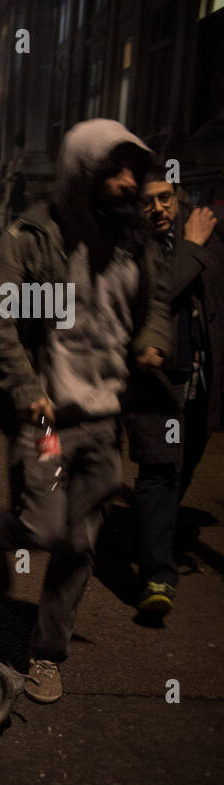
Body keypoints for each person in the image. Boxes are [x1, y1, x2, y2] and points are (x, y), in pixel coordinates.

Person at [0, 119, 173, 704]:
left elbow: (156, 301)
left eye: (134, 170)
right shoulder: (32, 236)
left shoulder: (135, 241)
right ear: (83, 173)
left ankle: (46, 654)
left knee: (79, 545)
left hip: (106, 420)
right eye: (115, 170)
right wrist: (25, 387)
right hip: (47, 419)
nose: (129, 181)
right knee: (42, 528)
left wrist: (149, 341)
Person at [125, 173, 223, 616]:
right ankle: (157, 577)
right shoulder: (134, 248)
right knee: (161, 471)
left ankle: (149, 535)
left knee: (185, 466)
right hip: (158, 383)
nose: (159, 209)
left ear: (179, 198)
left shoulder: (201, 240)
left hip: (202, 380)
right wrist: (195, 246)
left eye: (166, 198)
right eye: (149, 202)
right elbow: (161, 292)